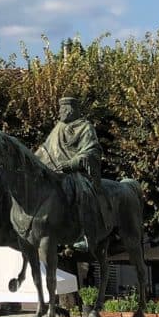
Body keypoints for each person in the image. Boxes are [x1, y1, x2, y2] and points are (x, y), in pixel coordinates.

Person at [36, 96, 108, 243]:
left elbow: (92, 151)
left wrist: (72, 164)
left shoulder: (85, 127)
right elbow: (45, 149)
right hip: (54, 172)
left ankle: (86, 234)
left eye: (62, 110)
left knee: (83, 192)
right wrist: (31, 161)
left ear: (69, 111)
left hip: (77, 173)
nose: (59, 113)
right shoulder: (58, 128)